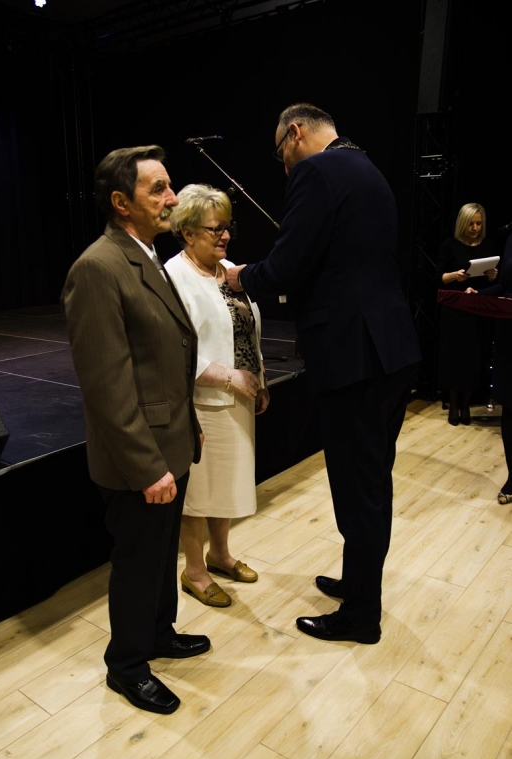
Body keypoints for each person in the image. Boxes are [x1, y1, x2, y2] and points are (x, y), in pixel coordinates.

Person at [226, 103, 421, 645]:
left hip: (353, 356)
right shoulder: (368, 168)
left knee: (358, 490)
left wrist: (243, 277)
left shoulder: (316, 171)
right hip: (391, 349)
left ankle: (360, 616)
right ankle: (358, 584)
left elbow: (287, 266)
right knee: (372, 481)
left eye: (281, 153)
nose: (285, 167)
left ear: (295, 133)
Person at [61, 145, 210, 715]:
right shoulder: (97, 268)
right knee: (138, 562)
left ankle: (158, 633)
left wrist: (188, 426)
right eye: (159, 189)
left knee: (161, 554)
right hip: (137, 459)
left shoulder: (146, 255)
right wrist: (148, 466)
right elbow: (108, 386)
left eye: (169, 186)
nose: (172, 198)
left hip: (169, 441)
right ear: (122, 202)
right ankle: (126, 665)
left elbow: (168, 357)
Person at [165, 183, 270, 607]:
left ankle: (221, 555)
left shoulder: (227, 269)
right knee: (199, 493)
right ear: (188, 232)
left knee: (226, 484)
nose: (225, 236)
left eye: (227, 227)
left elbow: (246, 327)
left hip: (239, 398)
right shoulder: (174, 277)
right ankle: (194, 571)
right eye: (215, 229)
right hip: (202, 403)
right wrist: (230, 377)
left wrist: (259, 377)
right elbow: (173, 349)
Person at [435, 202, 499, 426]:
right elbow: (439, 278)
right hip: (455, 310)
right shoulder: (450, 245)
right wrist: (456, 276)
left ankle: (466, 404)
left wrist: (491, 276)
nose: (475, 228)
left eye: (479, 224)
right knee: (454, 357)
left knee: (474, 357)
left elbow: (495, 282)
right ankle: (453, 404)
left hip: (477, 309)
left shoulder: (488, 245)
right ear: (462, 223)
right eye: (471, 223)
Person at [465, 232, 512, 504]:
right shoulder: (511, 239)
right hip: (508, 333)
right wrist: (479, 294)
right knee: (510, 408)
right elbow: (505, 284)